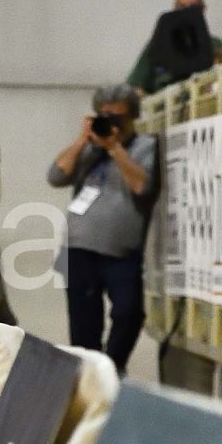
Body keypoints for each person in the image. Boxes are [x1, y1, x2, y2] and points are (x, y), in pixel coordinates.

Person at [47, 83, 158, 374]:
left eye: (117, 117)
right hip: (78, 249)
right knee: (84, 328)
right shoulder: (88, 149)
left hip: (121, 251)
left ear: (132, 118)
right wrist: (82, 140)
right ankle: (89, 379)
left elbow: (142, 186)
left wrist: (114, 148)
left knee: (129, 313)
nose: (110, 123)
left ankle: (112, 368)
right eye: (104, 116)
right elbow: (56, 176)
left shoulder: (145, 146)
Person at [127, 0, 222, 95]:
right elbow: (136, 86)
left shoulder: (216, 46)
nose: (186, 13)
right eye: (181, 7)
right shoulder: (158, 45)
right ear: (174, 9)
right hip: (166, 103)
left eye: (193, 8)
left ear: (203, 9)